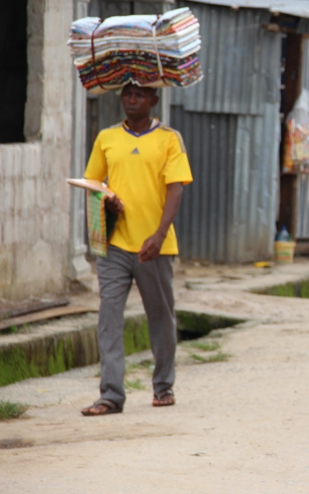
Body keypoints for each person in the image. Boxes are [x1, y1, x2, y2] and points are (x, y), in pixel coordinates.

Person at [80, 84, 193, 416]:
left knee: (160, 318)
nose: (132, 100)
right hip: (113, 244)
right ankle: (111, 395)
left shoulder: (169, 139)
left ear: (154, 100)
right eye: (127, 94)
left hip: (154, 247)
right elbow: (93, 184)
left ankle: (163, 386)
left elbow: (176, 189)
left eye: (140, 94)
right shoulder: (107, 138)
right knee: (109, 317)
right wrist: (108, 200)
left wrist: (159, 235)